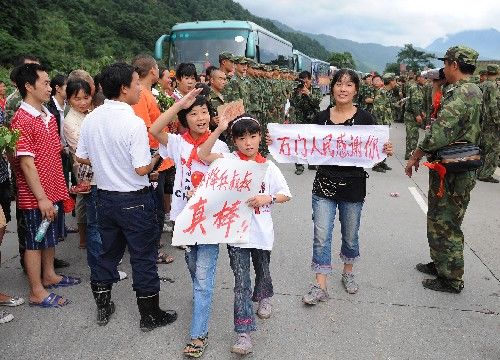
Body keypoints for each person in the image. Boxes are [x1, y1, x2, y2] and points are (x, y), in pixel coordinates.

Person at [75, 63, 177, 328]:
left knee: (106, 255)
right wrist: (158, 156)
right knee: (143, 257)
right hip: (134, 200)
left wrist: (106, 161)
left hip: (104, 198)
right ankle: (149, 315)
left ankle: (103, 305)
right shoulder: (133, 123)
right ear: (123, 89)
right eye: (136, 83)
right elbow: (141, 168)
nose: (140, 88)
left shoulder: (92, 118)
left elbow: (81, 155)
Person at [292, 69, 393, 304]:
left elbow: (375, 154)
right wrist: (276, 140)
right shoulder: (320, 118)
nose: (343, 89)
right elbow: (303, 144)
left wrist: (384, 151)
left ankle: (347, 272)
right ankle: (320, 285)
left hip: (353, 186)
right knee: (321, 236)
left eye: (348, 85)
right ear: (332, 88)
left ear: (356, 89)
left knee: (350, 235)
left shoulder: (366, 119)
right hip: (324, 185)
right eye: (339, 84)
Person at [199, 114, 291, 355]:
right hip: (236, 235)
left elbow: (285, 194)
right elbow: (203, 155)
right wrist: (218, 129)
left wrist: (267, 197)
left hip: (262, 234)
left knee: (262, 269)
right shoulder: (228, 161)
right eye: (242, 138)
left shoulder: (268, 167)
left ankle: (264, 296)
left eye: (253, 136)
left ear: (260, 137)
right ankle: (243, 333)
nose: (248, 142)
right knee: (241, 283)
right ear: (234, 141)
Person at [149, 87, 229, 358]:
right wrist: (180, 103)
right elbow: (155, 128)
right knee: (195, 267)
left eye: (204, 112)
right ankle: (201, 299)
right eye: (193, 113)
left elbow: (227, 182)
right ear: (184, 119)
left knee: (204, 278)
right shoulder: (177, 142)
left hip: (209, 220)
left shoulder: (219, 145)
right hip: (184, 220)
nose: (200, 117)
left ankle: (198, 335)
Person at [405, 46, 482, 293]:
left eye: (446, 64)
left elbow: (439, 132)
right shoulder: (467, 90)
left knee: (447, 222)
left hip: (455, 169)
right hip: (450, 167)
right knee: (439, 217)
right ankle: (441, 263)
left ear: (455, 65)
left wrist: (416, 155)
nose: (444, 68)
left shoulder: (463, 93)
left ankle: (451, 278)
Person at [11, 63, 80, 308]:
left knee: (48, 236)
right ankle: (36, 291)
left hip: (52, 190)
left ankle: (49, 275)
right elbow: (27, 164)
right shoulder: (22, 119)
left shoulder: (46, 114)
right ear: (28, 86)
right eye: (46, 83)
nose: (50, 88)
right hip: (36, 196)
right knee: (34, 241)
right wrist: (41, 197)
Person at [131, 54, 174, 264]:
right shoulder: (142, 95)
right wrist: (154, 161)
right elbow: (146, 131)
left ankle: (152, 245)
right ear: (153, 71)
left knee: (156, 207)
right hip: (153, 159)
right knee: (153, 208)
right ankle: (151, 250)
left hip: (158, 157)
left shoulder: (146, 93)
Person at [289, 70, 322, 174]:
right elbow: (293, 103)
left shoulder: (315, 89)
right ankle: (299, 166)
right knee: (298, 143)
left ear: (310, 79)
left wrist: (308, 94)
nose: (304, 82)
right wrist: (299, 93)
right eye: (302, 80)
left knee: (312, 142)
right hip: (299, 119)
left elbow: (317, 103)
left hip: (312, 118)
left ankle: (312, 163)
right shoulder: (296, 90)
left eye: (306, 80)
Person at [476, 64, 499, 183]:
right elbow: (493, 105)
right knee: (494, 149)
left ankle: (479, 171)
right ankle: (486, 174)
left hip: (482, 120)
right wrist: (498, 121)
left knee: (483, 147)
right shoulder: (493, 86)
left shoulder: (482, 85)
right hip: (491, 122)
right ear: (497, 72)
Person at [371, 72, 397, 172]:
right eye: (394, 80)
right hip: (380, 124)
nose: (395, 82)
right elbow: (377, 110)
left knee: (384, 143)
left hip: (385, 123)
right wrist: (380, 126)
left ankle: (382, 162)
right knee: (379, 143)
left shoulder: (387, 92)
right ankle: (376, 164)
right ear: (391, 81)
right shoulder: (381, 93)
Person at [404, 73, 425, 159]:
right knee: (412, 135)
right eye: (423, 78)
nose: (425, 79)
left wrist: (422, 112)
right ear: (419, 78)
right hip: (411, 115)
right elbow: (414, 102)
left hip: (414, 114)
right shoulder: (414, 88)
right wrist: (417, 115)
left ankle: (411, 153)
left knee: (414, 135)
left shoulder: (419, 88)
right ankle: (410, 154)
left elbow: (419, 102)